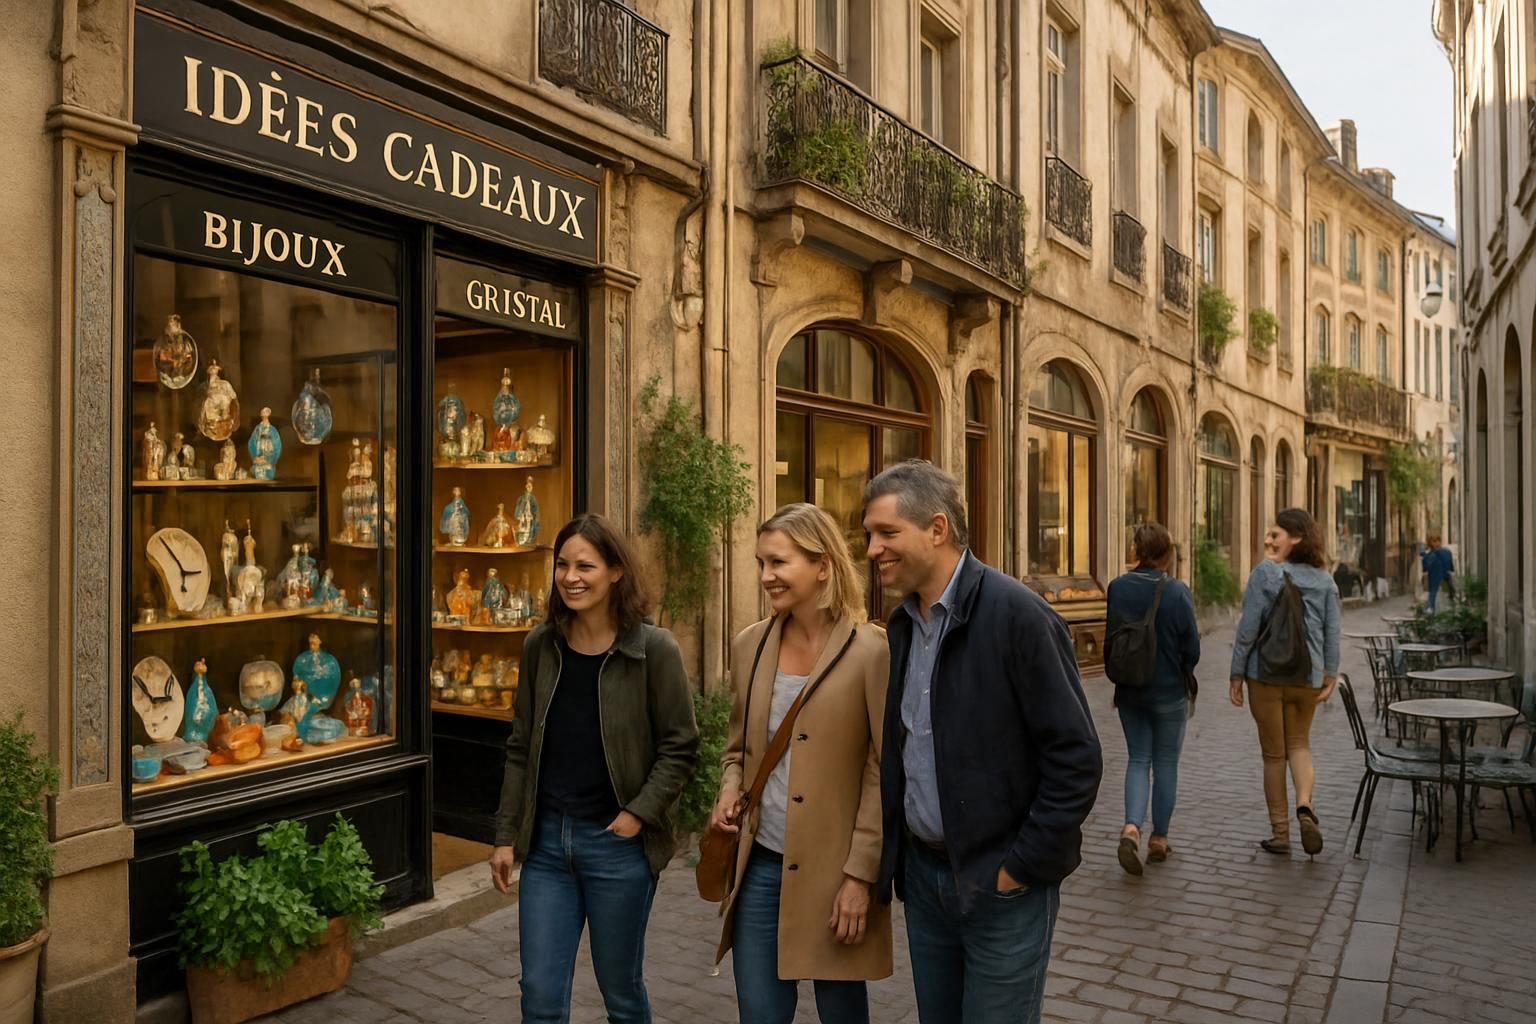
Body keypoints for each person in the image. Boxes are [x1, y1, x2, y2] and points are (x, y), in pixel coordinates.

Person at [864, 460, 1102, 1024]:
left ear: (938, 529)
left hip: (1002, 886)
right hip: (924, 882)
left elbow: (1076, 757)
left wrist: (1019, 867)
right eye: (869, 535)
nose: (873, 549)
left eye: (886, 533)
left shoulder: (1019, 616)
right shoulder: (902, 624)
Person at [490, 513, 699, 1024]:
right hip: (544, 847)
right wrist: (504, 835)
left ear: (616, 573)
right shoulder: (541, 646)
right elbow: (520, 747)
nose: (570, 577)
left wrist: (636, 815)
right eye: (562, 565)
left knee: (621, 993)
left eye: (585, 565)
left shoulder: (653, 650)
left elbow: (680, 747)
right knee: (539, 995)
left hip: (617, 846)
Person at [709, 503, 892, 1024]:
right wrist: (729, 787)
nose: (767, 576)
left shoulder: (871, 651)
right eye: (761, 563)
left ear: (823, 565)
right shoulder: (751, 644)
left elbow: (882, 769)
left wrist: (861, 876)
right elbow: (738, 748)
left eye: (779, 562)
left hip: (838, 877)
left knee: (842, 1015)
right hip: (760, 868)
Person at [1229, 507, 1342, 858]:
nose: (1267, 540)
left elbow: (1248, 628)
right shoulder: (1325, 580)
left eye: (1275, 534)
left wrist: (1236, 673)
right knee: (1300, 746)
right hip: (1307, 676)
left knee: (1273, 756)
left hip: (1265, 674)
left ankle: (1280, 833)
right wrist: (1331, 672)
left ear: (1296, 537)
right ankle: (1305, 805)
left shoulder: (1266, 573)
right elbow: (1332, 630)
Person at [1105, 522, 1200, 876]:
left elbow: (1112, 642)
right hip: (1169, 691)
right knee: (1165, 764)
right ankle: (1159, 838)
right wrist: (1184, 672)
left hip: (1130, 690)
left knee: (1137, 759)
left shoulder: (1117, 587)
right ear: (1168, 554)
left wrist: (1118, 684)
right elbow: (1192, 646)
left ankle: (1131, 828)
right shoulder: (1177, 592)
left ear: (1137, 551)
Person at [1421, 533, 1456, 611]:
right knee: (1436, 599)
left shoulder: (1432, 555)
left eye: (1437, 541)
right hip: (1438, 580)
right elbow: (1451, 567)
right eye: (1434, 541)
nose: (1436, 543)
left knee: (1441, 599)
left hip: (1441, 580)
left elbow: (1425, 568)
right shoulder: (1444, 552)